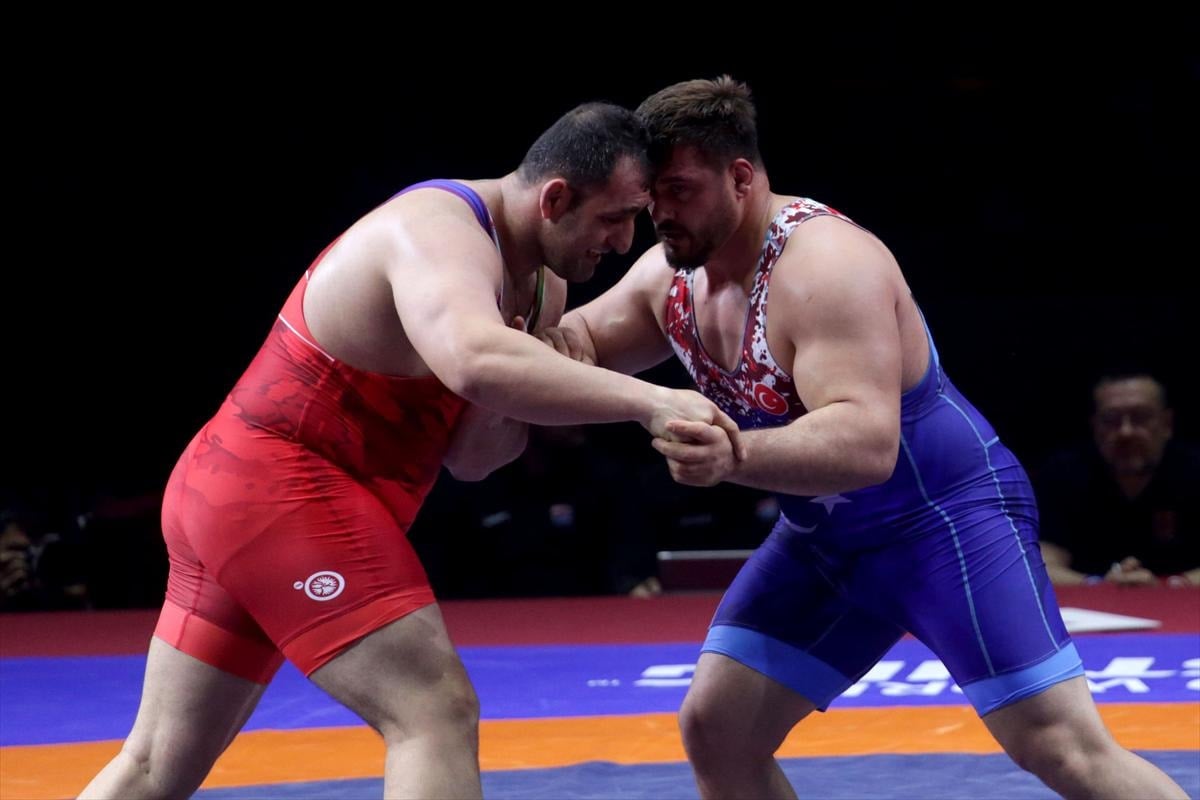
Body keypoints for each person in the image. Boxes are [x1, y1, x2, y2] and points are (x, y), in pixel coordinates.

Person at [543, 77, 1187, 799]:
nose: (661, 214)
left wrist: (735, 454)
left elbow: (866, 445)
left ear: (741, 178)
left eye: (679, 190)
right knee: (718, 731)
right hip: (826, 541)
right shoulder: (670, 277)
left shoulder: (826, 266)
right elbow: (575, 347)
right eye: (649, 197)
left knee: (1062, 747)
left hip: (944, 523)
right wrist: (504, 323)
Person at [79, 102, 745, 800]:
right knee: (432, 712)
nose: (625, 241)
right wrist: (651, 400)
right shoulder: (435, 229)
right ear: (554, 199)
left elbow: (473, 460)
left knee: (154, 766)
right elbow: (472, 360)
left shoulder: (544, 284)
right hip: (278, 487)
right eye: (616, 217)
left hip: (240, 499)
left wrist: (514, 384)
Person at [1036, 372, 1199, 586]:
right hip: (1090, 602)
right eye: (1111, 420)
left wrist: (1169, 586)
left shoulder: (1194, 469)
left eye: (1140, 417)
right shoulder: (1063, 474)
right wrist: (1098, 585)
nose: (1125, 432)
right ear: (1095, 426)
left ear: (1167, 423)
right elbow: (1042, 565)